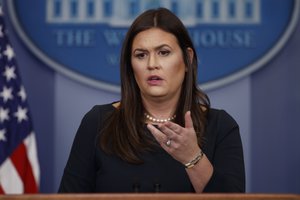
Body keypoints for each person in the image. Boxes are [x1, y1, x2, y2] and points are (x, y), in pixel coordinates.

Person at [58, 7, 245, 193]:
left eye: (163, 52)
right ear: (130, 65)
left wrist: (193, 157)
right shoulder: (98, 122)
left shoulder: (220, 126)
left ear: (187, 59)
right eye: (141, 55)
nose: (152, 64)